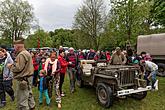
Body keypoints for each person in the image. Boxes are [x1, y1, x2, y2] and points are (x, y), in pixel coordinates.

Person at [9, 39, 35, 110]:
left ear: (18, 46)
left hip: (23, 80)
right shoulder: (26, 53)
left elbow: (18, 68)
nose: (14, 48)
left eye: (14, 46)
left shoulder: (22, 54)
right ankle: (32, 108)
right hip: (28, 78)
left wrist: (10, 66)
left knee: (22, 101)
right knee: (29, 96)